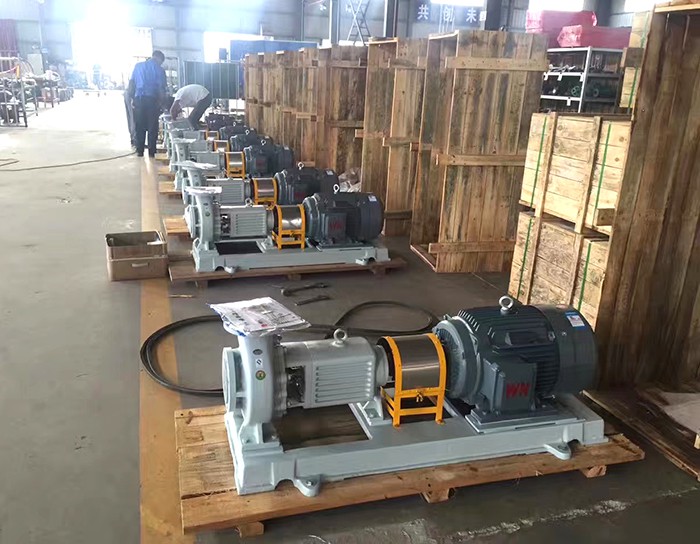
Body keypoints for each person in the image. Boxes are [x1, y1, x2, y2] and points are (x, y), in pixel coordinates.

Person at [128, 51, 167, 157]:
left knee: (139, 125)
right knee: (152, 126)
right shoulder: (160, 70)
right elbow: (161, 88)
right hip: (152, 100)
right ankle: (151, 152)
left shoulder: (138, 66)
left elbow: (132, 83)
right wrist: (162, 103)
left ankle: (140, 150)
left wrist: (132, 99)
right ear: (159, 59)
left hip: (139, 99)